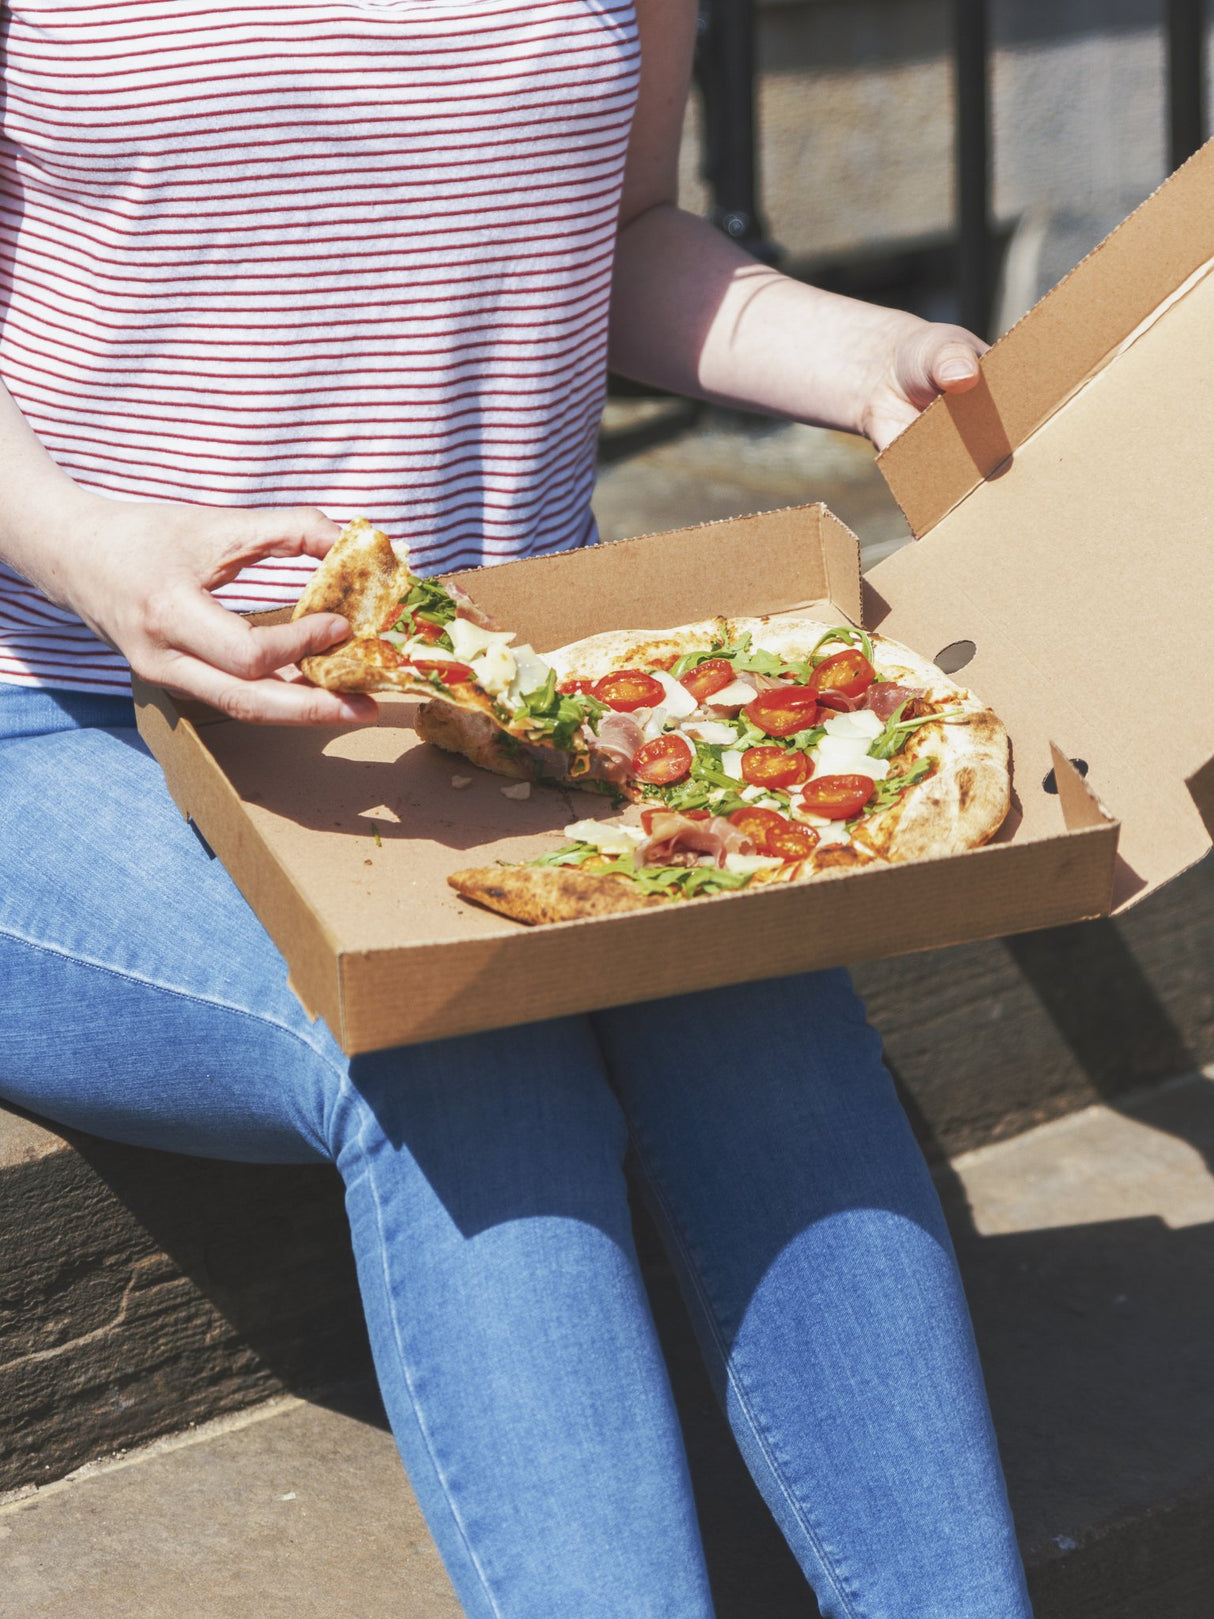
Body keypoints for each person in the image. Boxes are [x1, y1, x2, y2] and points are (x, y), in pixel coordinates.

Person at [0, 3, 1033, 1615]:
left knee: (764, 1021)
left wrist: (863, 361)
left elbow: (618, 231)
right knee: (456, 1043)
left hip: (494, 711)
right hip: (52, 708)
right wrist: (82, 549)